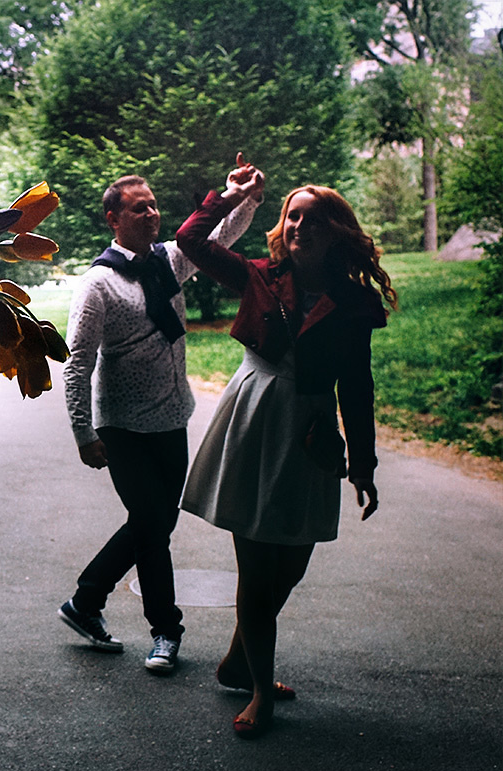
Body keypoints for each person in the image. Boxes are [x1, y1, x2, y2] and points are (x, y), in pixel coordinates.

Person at [175, 155, 395, 739]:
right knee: (256, 565)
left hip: (315, 431)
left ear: (335, 233)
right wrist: (231, 195)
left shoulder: (352, 304)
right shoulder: (259, 276)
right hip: (257, 418)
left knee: (292, 560)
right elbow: (190, 240)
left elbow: (359, 385)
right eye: (292, 218)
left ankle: (238, 658)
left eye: (313, 220)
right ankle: (258, 693)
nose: (299, 228)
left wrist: (363, 463)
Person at [60, 172, 261, 674]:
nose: (151, 214)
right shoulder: (97, 284)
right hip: (122, 427)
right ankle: (165, 631)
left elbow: (221, 237)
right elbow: (77, 363)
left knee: (156, 523)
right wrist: (83, 431)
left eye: (153, 206)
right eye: (138, 209)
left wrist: (248, 196)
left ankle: (85, 603)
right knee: (152, 524)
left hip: (172, 417)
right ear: (114, 219)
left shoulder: (170, 260)